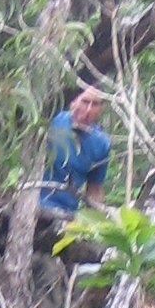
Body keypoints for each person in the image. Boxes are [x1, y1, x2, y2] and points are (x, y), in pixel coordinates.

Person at [39, 87, 112, 217]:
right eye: (85, 102)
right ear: (73, 102)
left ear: (101, 109)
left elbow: (95, 190)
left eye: (95, 104)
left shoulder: (101, 143)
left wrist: (96, 221)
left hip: (65, 214)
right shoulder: (52, 120)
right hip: (33, 204)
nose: (88, 109)